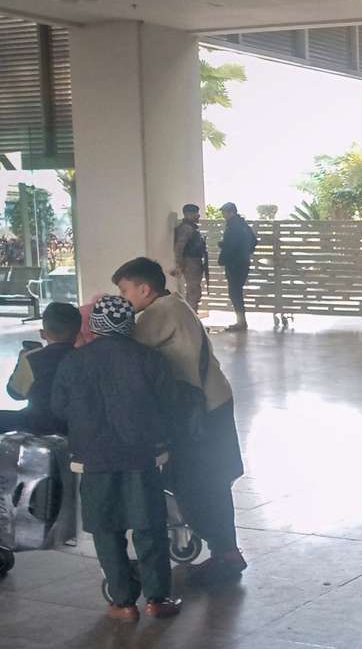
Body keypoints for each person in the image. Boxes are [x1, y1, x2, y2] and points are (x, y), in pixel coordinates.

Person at [113, 257, 248, 585]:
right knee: (209, 481)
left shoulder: (158, 314)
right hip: (211, 401)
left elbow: (124, 350)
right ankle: (224, 550)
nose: (122, 298)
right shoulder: (175, 304)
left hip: (200, 410)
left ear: (144, 289)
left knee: (199, 483)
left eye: (124, 291)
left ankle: (226, 554)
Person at [49, 296, 182, 621]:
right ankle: (158, 599)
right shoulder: (150, 359)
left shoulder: (74, 361)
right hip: (141, 457)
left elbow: (59, 408)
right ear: (129, 325)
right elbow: (170, 404)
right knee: (149, 525)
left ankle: (123, 603)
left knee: (106, 528)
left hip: (94, 458)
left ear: (94, 325)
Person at [1, 302, 80, 434]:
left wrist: (20, 361)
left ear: (43, 333)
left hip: (37, 425)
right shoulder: (85, 358)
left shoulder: (31, 358)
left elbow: (15, 394)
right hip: (74, 425)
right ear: (77, 334)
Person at [217, 202, 257, 332]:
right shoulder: (244, 225)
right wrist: (245, 252)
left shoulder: (233, 226)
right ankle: (241, 321)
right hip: (243, 262)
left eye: (224, 212)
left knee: (235, 293)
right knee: (236, 292)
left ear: (231, 212)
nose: (223, 215)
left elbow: (231, 246)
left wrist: (223, 247)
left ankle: (241, 322)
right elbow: (254, 241)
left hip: (235, 264)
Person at [172, 204, 209, 314]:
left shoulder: (191, 228)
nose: (198, 215)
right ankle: (191, 318)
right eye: (196, 213)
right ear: (188, 214)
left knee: (195, 292)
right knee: (193, 293)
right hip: (190, 263)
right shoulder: (186, 228)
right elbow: (179, 248)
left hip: (194, 262)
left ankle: (192, 316)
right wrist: (180, 264)